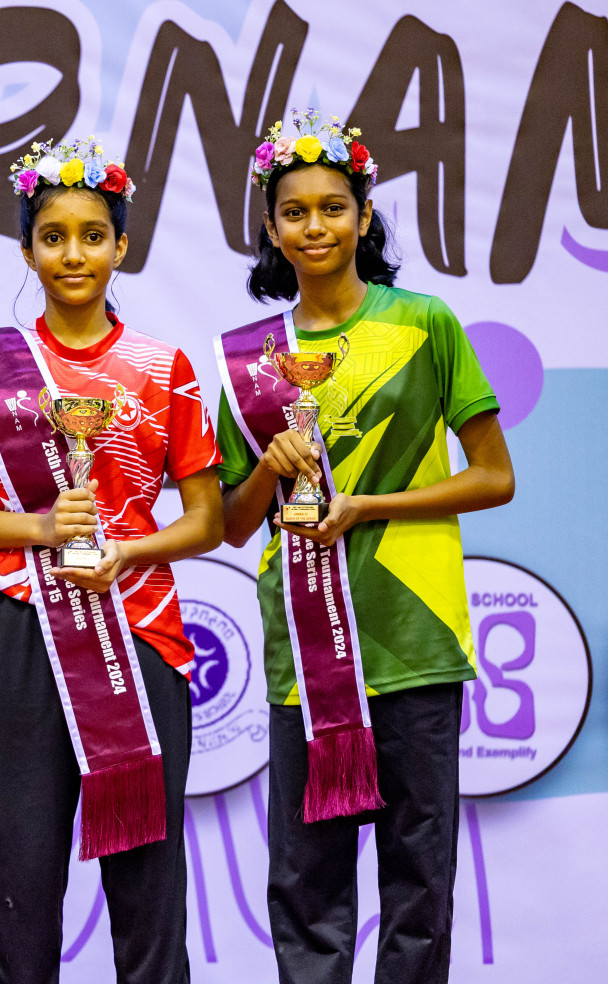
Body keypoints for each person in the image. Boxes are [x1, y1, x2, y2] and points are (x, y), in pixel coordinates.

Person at [215, 110, 515, 984]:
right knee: (305, 885)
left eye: (334, 208)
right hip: (301, 659)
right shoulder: (252, 358)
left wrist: (367, 506)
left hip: (414, 638)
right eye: (296, 212)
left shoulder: (425, 322)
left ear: (366, 216)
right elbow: (234, 525)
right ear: (271, 227)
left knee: (420, 882)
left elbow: (494, 477)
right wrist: (269, 468)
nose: (317, 227)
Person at [0, 138, 224, 984]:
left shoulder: (164, 371)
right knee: (22, 873)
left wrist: (126, 549)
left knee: (148, 881)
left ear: (122, 245)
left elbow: (205, 522)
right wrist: (43, 531)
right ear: (27, 250)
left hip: (141, 635)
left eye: (93, 235)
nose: (73, 254)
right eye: (52, 236)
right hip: (22, 635)